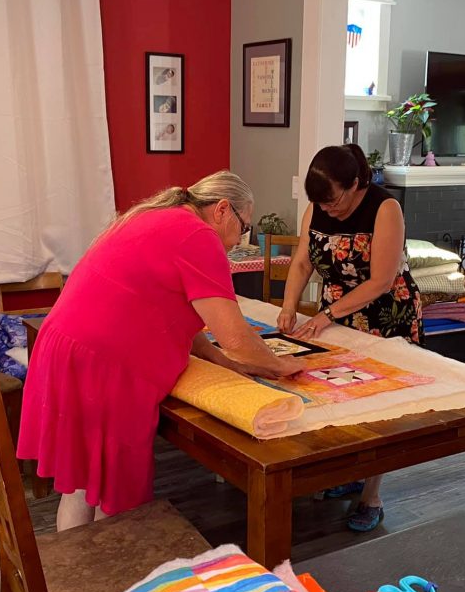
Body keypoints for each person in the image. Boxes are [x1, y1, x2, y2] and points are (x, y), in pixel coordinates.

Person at [18, 171, 302, 530]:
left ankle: (82, 579)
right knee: (112, 491)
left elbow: (183, 320)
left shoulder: (153, 215)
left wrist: (224, 361)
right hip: (102, 363)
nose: (240, 239)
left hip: (67, 347)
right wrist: (277, 364)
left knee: (81, 486)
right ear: (223, 210)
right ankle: (113, 579)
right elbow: (235, 337)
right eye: (244, 227)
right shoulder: (198, 235)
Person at [276, 144, 423, 532]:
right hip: (337, 313)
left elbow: (381, 280)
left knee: (379, 405)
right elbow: (304, 261)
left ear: (356, 183)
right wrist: (290, 306)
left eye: (335, 202)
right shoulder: (319, 207)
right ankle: (350, 471)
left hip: (385, 312)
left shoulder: (384, 208)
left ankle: (371, 493)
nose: (328, 211)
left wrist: (326, 315)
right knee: (336, 392)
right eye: (321, 205)